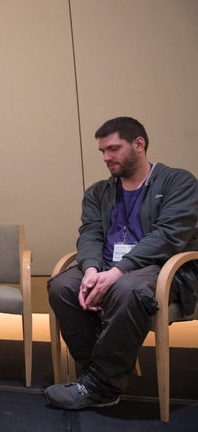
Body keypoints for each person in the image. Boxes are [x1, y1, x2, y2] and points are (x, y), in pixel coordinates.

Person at [45, 116, 198, 410]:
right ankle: (98, 375)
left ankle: (100, 386)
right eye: (102, 151)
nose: (106, 157)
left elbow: (168, 236)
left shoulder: (179, 182)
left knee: (126, 289)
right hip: (106, 266)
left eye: (113, 149)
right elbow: (90, 233)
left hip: (162, 268)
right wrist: (90, 270)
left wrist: (116, 272)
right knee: (62, 285)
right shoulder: (98, 192)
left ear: (138, 144)